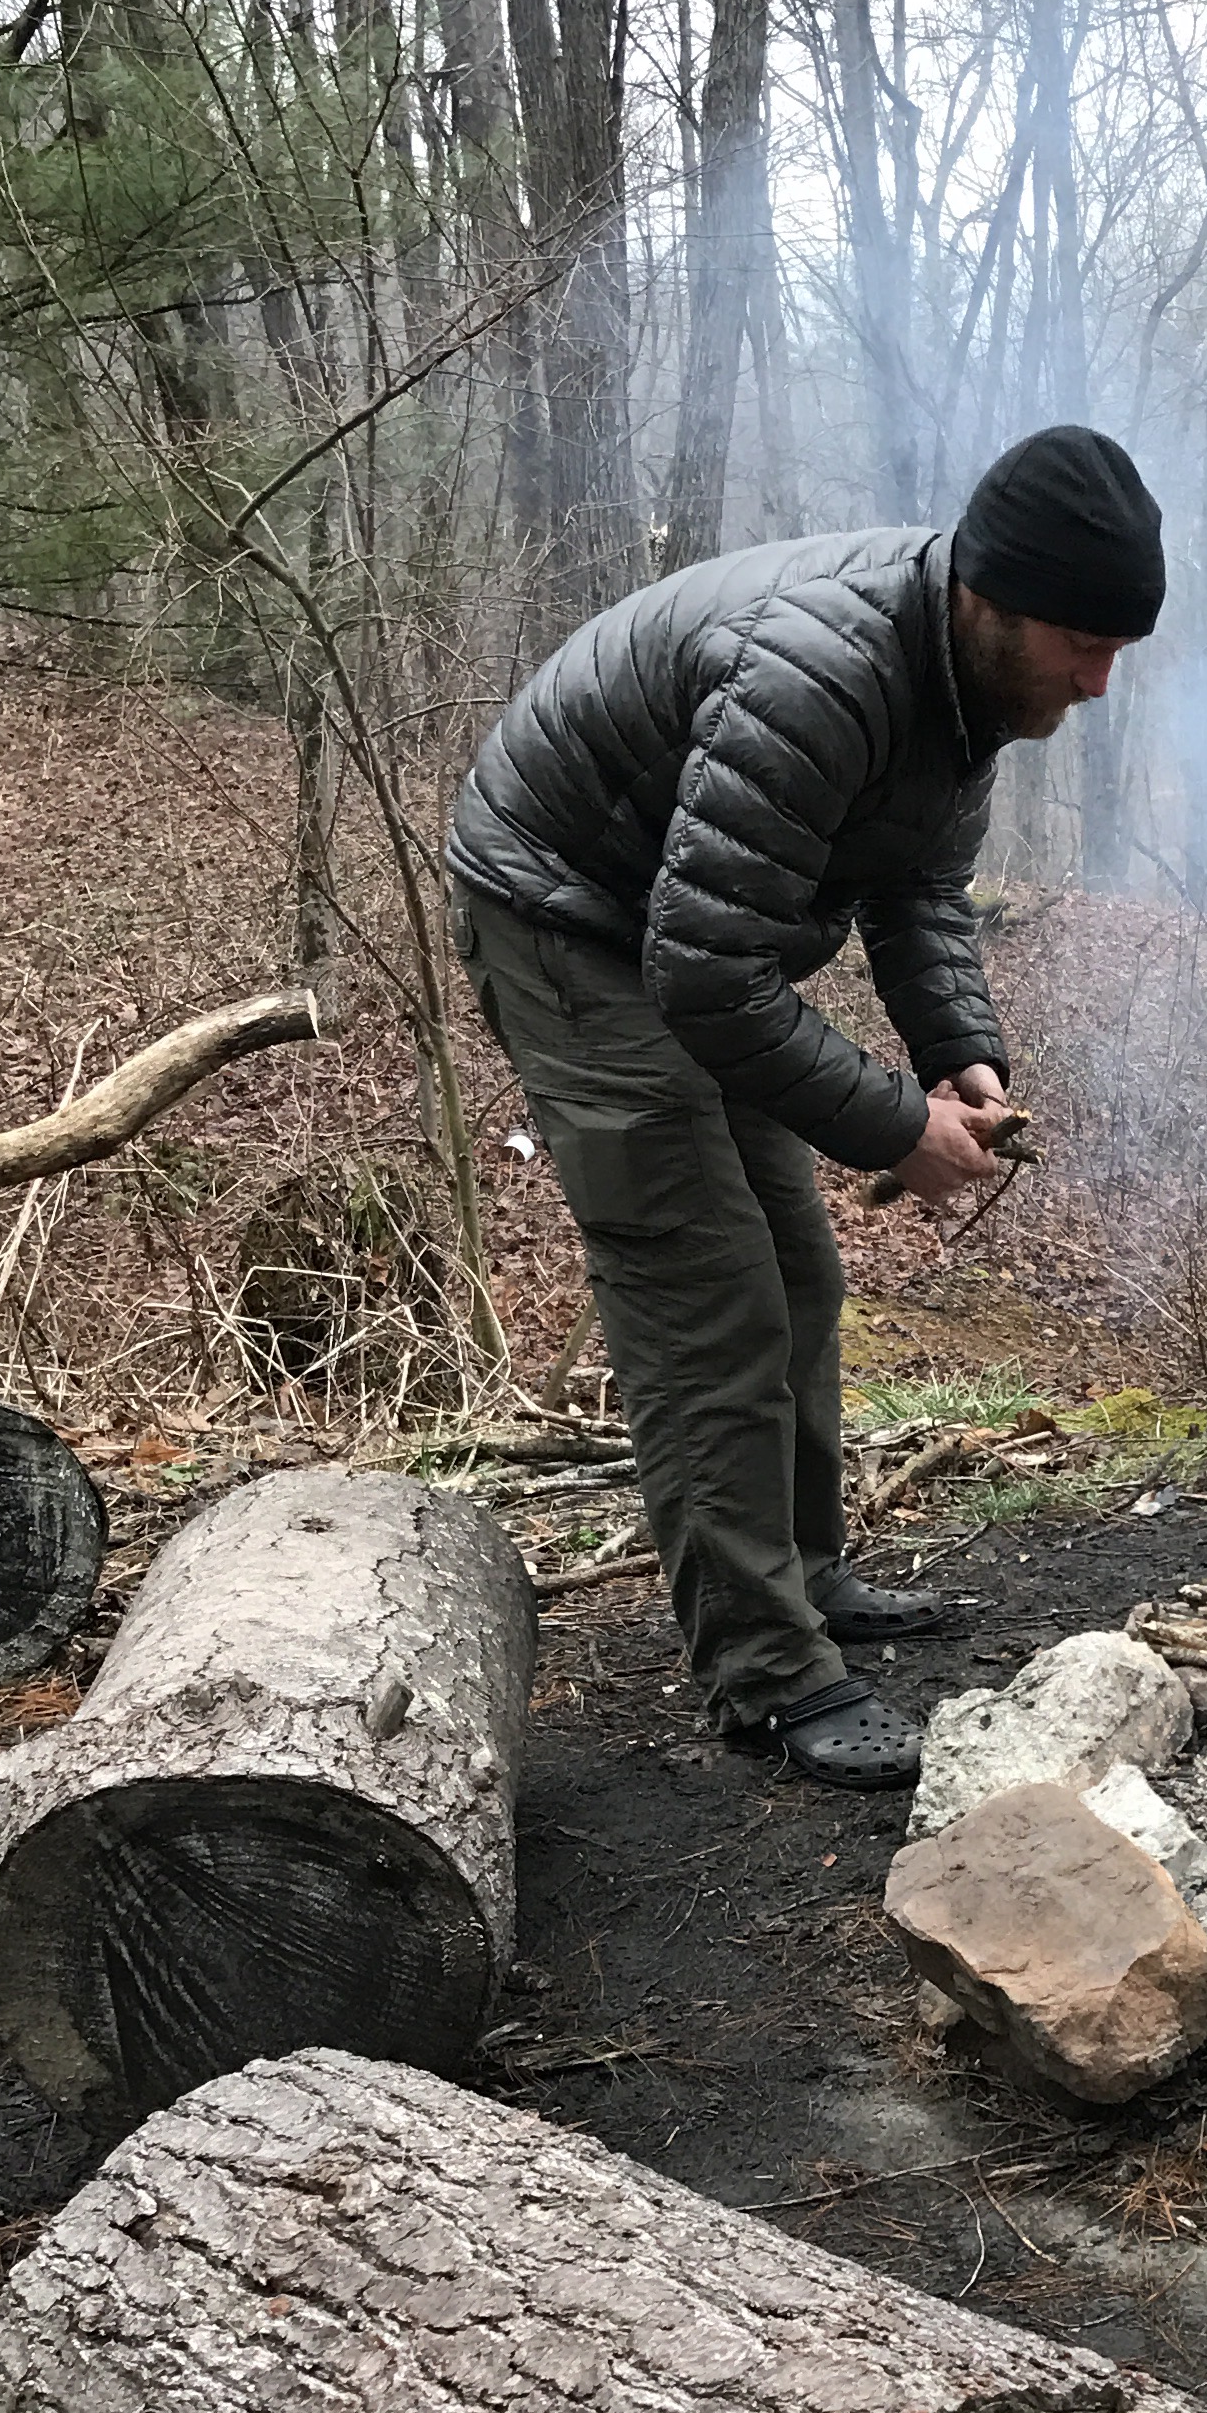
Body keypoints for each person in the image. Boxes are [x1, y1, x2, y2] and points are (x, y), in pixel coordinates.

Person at [447, 424, 1163, 1791]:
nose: (1099, 682)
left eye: (1119, 649)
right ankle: (764, 1675)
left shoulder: (969, 686)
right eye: (1084, 645)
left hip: (690, 934)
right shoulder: (819, 670)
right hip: (564, 916)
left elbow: (920, 888)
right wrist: (895, 1127)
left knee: (799, 1274)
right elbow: (705, 974)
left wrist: (962, 1056)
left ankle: (805, 1575)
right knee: (710, 1297)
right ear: (990, 597)